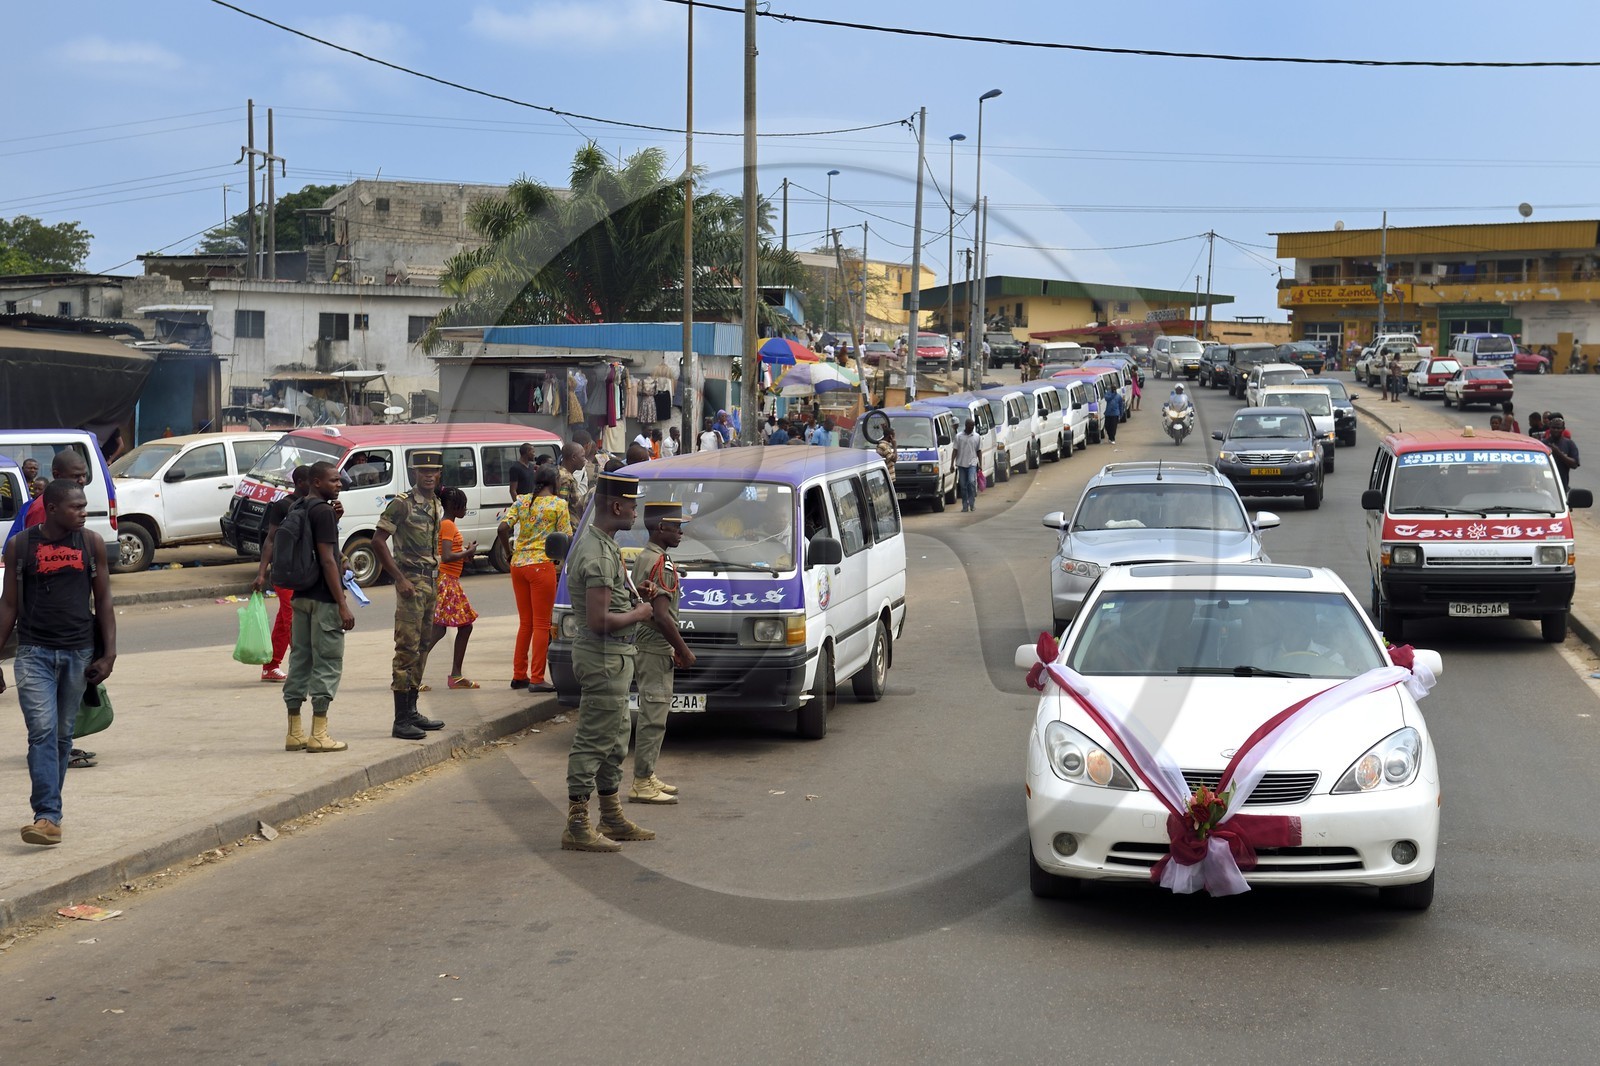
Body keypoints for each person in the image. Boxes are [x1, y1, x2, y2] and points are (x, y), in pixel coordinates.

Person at [0, 479, 116, 846]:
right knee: (43, 732)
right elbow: (8, 605)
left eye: (84, 506)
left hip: (78, 653)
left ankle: (50, 812)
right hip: (33, 653)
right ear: (51, 509)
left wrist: (109, 654)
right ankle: (47, 815)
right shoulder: (21, 546)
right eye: (76, 507)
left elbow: (105, 601)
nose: (84, 512)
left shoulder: (91, 543)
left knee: (63, 736)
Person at [561, 472, 659, 852]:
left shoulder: (603, 545)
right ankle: (577, 824)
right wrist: (641, 614)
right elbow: (601, 621)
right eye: (633, 506)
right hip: (604, 657)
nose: (636, 513)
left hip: (614, 658)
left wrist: (636, 598)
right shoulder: (599, 552)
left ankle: (612, 816)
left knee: (615, 738)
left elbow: (611, 600)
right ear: (617, 506)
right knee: (593, 740)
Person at [372, 451, 447, 742]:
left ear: (439, 473)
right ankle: (400, 719)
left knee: (423, 646)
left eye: (434, 471)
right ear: (414, 473)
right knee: (406, 648)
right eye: (423, 471)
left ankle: (412, 710)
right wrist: (399, 578)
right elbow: (378, 541)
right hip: (411, 584)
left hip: (430, 584)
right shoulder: (402, 504)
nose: (429, 475)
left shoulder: (435, 502)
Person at [280, 461, 355, 753]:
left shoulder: (298, 505)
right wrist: (342, 604)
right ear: (316, 482)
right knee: (327, 662)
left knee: (300, 660)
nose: (339, 485)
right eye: (333, 481)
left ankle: (294, 733)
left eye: (339, 480)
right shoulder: (323, 510)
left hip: (300, 595)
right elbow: (327, 559)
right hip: (324, 598)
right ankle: (319, 735)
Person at [628, 501, 697, 805]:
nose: (681, 532)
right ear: (660, 528)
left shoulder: (646, 556)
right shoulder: (662, 563)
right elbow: (662, 615)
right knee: (654, 715)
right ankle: (642, 782)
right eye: (676, 527)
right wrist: (683, 650)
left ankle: (648, 774)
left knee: (653, 712)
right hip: (655, 647)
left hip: (647, 644)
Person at [499, 464, 572, 693]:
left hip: (518, 565)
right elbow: (566, 537)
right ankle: (537, 678)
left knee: (525, 623)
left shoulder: (521, 501)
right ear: (554, 483)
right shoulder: (558, 505)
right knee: (542, 624)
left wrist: (510, 553)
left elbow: (502, 528)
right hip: (541, 565)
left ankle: (519, 675)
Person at [250, 465, 310, 684]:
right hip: (284, 573)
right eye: (311, 480)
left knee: (285, 621)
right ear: (301, 482)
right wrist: (261, 574)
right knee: (293, 618)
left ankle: (271, 666)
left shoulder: (312, 505)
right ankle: (301, 667)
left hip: (305, 572)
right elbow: (270, 540)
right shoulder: (282, 506)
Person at [426, 487, 480, 690]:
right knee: (439, 629)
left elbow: (449, 553)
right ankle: (413, 673)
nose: (465, 509)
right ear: (454, 507)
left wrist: (466, 553)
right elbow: (447, 556)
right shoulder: (447, 525)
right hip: (446, 580)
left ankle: (455, 675)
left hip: (450, 579)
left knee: (459, 626)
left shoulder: (447, 524)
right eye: (463, 505)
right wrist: (469, 551)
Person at [954, 418, 981, 512]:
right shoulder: (958, 436)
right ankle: (965, 505)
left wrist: (980, 463)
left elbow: (979, 451)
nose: (972, 427)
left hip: (972, 464)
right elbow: (955, 450)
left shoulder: (977, 436)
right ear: (966, 425)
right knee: (963, 486)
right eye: (970, 425)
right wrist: (951, 463)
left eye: (973, 425)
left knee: (971, 482)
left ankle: (972, 503)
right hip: (961, 464)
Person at [1548, 416, 1580, 488]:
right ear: (1549, 428)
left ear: (1563, 429)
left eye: (1558, 428)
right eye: (1553, 427)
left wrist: (1558, 453)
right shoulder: (1543, 443)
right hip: (1545, 485)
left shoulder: (1569, 444)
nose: (1556, 430)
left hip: (1562, 487)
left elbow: (1574, 464)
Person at [558, 441, 587, 515]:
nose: (585, 460)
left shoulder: (559, 472)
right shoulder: (565, 479)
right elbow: (562, 506)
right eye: (583, 456)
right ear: (574, 457)